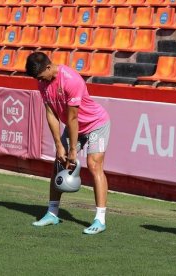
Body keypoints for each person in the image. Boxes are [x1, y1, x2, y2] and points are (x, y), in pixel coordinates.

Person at [25, 52, 111, 235]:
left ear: (49, 67)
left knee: (94, 165)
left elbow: (72, 118)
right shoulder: (43, 83)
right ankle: (52, 213)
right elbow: (51, 114)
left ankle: (100, 219)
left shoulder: (71, 80)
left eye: (41, 76)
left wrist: (72, 149)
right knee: (58, 164)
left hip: (96, 124)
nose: (40, 81)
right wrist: (59, 146)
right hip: (74, 127)